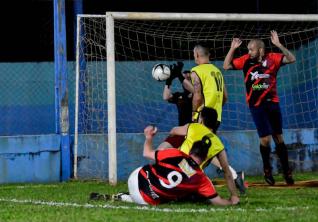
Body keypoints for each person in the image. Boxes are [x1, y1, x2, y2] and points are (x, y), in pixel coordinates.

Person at [90, 125, 240, 206]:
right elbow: (218, 202)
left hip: (136, 178)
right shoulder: (202, 179)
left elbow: (147, 153)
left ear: (191, 149)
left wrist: (148, 137)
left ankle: (124, 196)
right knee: (174, 194)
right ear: (206, 157)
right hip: (146, 200)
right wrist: (232, 201)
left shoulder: (175, 153)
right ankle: (126, 197)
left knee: (163, 179)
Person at [158, 62, 246, 194]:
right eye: (186, 76)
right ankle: (171, 179)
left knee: (201, 158)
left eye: (190, 77)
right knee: (161, 152)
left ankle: (230, 176)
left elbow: (192, 89)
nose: (188, 77)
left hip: (193, 131)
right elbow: (165, 96)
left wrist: (180, 77)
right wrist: (169, 80)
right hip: (183, 131)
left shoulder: (196, 95)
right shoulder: (180, 96)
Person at [223, 30, 296, 185]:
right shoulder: (245, 60)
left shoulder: (273, 58)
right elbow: (226, 65)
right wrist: (232, 48)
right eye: (248, 49)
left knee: (278, 137)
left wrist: (278, 44)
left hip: (273, 103)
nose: (249, 52)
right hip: (256, 106)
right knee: (265, 139)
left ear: (260, 50)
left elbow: (291, 58)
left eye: (251, 49)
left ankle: (286, 172)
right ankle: (267, 170)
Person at [169, 106, 245, 194]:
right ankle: (235, 176)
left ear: (201, 119)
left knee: (167, 145)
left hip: (176, 169)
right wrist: (234, 195)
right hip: (193, 177)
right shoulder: (218, 143)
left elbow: (173, 131)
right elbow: (225, 170)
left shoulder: (194, 127)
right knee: (209, 155)